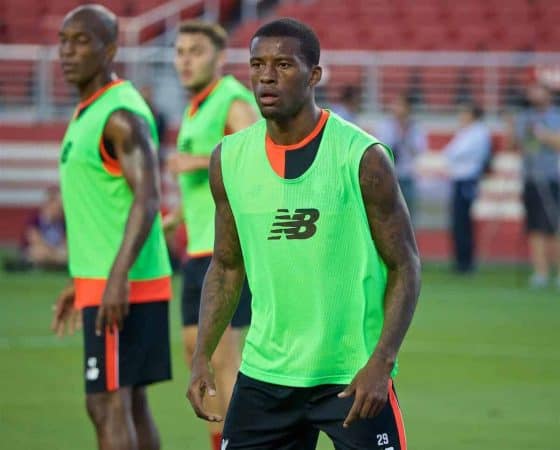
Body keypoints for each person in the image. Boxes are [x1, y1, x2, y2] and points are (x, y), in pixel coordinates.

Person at [187, 18, 421, 450]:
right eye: (257, 64)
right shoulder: (229, 159)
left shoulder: (363, 158)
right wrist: (203, 353)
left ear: (314, 75)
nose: (266, 76)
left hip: (351, 376)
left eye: (283, 65)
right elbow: (226, 265)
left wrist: (381, 363)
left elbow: (405, 265)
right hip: (264, 376)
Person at [51, 5, 172, 450]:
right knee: (129, 401)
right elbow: (105, 206)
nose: (68, 51)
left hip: (123, 282)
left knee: (106, 403)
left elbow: (149, 196)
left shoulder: (120, 115)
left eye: (81, 41)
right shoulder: (91, 110)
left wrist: (117, 277)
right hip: (102, 279)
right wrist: (80, 280)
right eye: (64, 41)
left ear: (111, 49)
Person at [164, 20, 258, 450]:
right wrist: (173, 218)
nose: (185, 60)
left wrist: (200, 160)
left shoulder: (232, 99)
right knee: (193, 352)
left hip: (228, 253)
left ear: (219, 58)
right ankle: (219, 440)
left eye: (195, 52)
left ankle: (242, 442)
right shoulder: (193, 108)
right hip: (197, 248)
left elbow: (257, 155)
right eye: (180, 52)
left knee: (223, 358)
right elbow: (210, 191)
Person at [513, 83, 560, 288]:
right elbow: (515, 145)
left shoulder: (556, 116)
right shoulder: (525, 117)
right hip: (530, 177)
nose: (533, 93)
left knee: (554, 226)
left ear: (548, 94)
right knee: (535, 227)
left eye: (538, 90)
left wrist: (542, 134)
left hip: (551, 177)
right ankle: (540, 272)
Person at [442, 103, 491, 273]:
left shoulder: (477, 133)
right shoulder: (467, 132)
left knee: (462, 222)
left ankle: (465, 262)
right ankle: (461, 260)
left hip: (467, 180)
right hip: (460, 179)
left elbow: (454, 153)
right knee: (459, 222)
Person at [376, 93, 427, 221]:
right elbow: (381, 147)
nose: (396, 108)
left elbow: (419, 150)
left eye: (400, 105)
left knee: (408, 216)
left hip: (407, 174)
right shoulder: (386, 125)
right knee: (388, 215)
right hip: (389, 175)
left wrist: (406, 136)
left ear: (408, 108)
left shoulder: (415, 127)